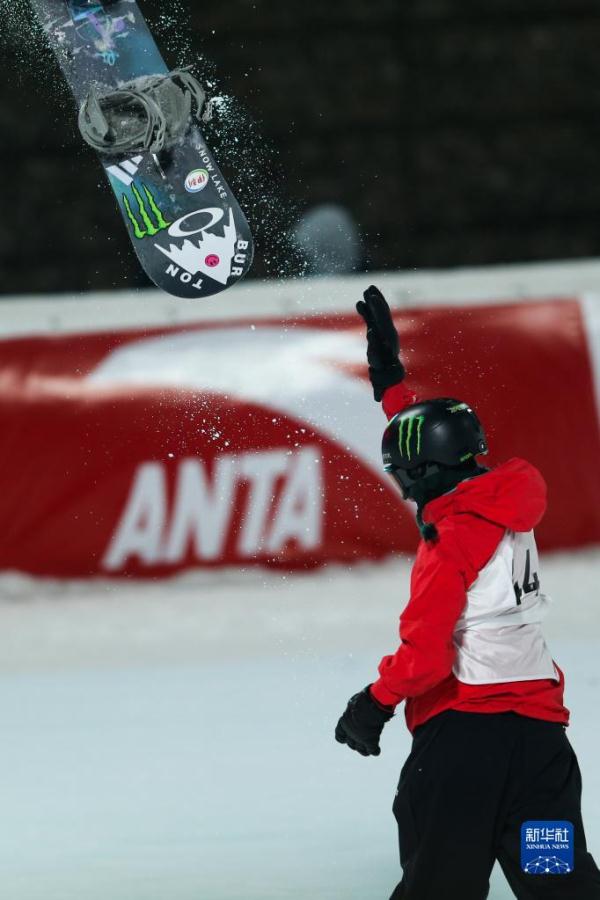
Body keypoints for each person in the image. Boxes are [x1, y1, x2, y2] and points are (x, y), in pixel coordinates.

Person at [335, 286, 600, 899]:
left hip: (461, 751)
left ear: (422, 474)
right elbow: (439, 447)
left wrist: (373, 704)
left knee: (440, 885)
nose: (402, 486)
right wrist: (391, 384)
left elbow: (426, 657)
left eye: (403, 474)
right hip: (539, 750)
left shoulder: (448, 542)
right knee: (560, 885)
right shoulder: (504, 502)